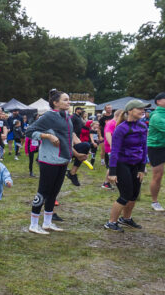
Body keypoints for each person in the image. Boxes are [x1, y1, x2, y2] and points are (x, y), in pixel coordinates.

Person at [24, 89, 88, 234]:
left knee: (54, 193)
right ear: (55, 103)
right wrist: (47, 136)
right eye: (65, 100)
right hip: (49, 161)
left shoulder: (66, 116)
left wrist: (76, 154)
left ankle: (47, 222)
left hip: (63, 160)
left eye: (68, 99)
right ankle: (33, 224)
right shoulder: (48, 116)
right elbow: (28, 132)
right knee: (43, 192)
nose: (68, 102)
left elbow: (68, 139)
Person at [104, 99, 150, 231]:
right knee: (126, 194)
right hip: (121, 164)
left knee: (134, 194)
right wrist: (112, 172)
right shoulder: (121, 128)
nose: (143, 111)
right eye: (139, 109)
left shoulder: (143, 126)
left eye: (143, 109)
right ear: (130, 111)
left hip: (136, 165)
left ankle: (126, 219)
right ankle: (111, 222)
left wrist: (142, 168)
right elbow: (115, 151)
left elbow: (144, 148)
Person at [147, 92, 165, 211]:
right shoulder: (156, 116)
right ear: (158, 101)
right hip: (156, 147)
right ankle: (154, 201)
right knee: (158, 175)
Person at [102, 109, 125, 191]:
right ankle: (106, 183)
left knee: (115, 164)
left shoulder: (115, 123)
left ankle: (110, 182)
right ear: (119, 115)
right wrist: (112, 145)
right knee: (113, 165)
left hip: (115, 147)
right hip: (111, 147)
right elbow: (108, 134)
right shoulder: (112, 123)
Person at [66, 106, 87, 186]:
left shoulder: (78, 117)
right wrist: (77, 154)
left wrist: (83, 150)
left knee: (85, 146)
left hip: (74, 137)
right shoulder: (73, 117)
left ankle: (72, 173)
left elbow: (73, 133)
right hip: (60, 147)